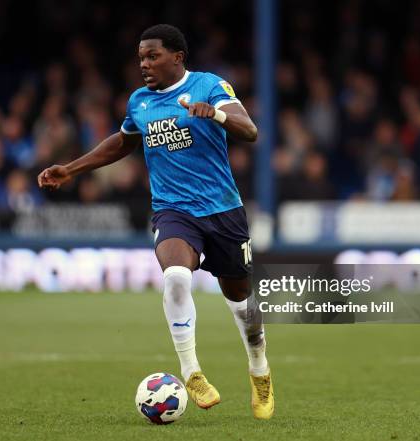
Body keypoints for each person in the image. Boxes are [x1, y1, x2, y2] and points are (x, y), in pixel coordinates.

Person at [37, 24, 273, 419]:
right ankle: (191, 371)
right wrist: (72, 169)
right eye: (141, 58)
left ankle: (259, 368)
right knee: (177, 277)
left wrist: (213, 113)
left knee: (240, 302)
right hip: (173, 210)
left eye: (152, 56)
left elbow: (249, 130)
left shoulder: (209, 86)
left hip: (222, 211)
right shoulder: (140, 102)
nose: (144, 64)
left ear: (177, 57)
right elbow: (123, 141)